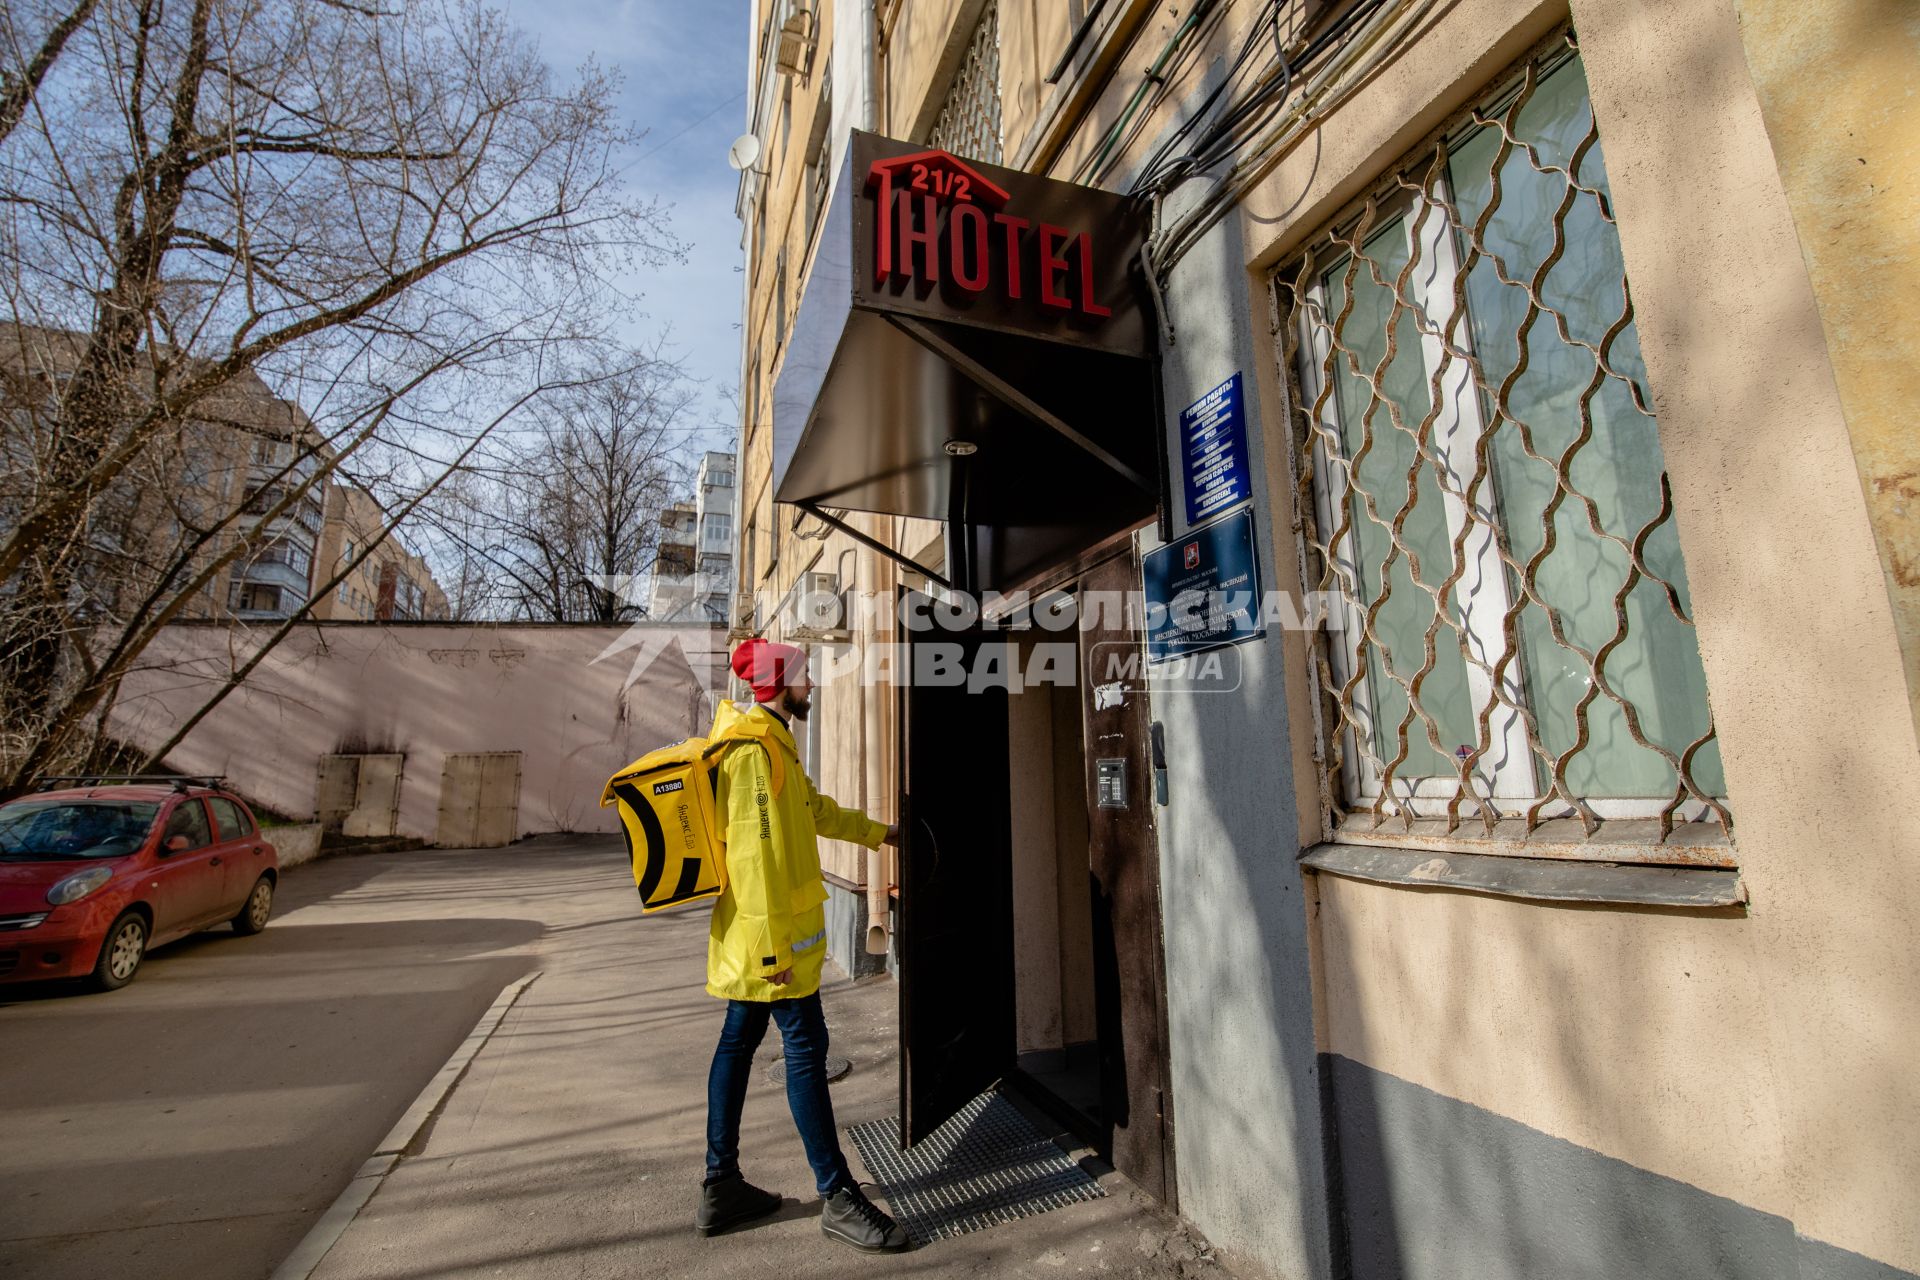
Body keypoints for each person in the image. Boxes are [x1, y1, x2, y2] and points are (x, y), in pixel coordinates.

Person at [696, 638, 911, 1253]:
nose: (811, 685)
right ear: (779, 683)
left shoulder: (769, 741)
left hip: (760, 939)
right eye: (804, 676)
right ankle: (837, 1195)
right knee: (804, 1047)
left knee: (738, 1045)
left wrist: (882, 833)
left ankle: (721, 1185)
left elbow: (810, 811)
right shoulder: (754, 751)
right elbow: (757, 856)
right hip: (771, 943)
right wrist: (774, 956)